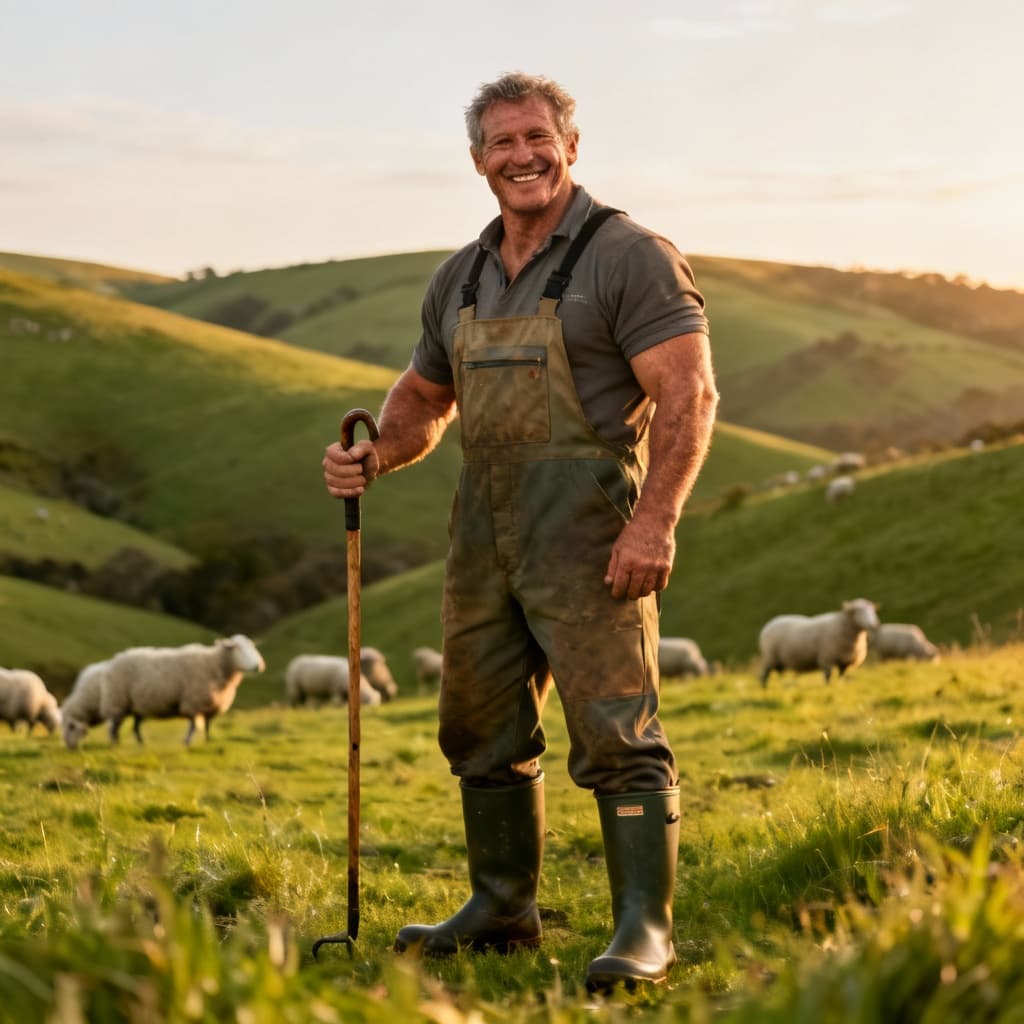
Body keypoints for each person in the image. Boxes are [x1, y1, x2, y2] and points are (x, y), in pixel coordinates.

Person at [322, 71, 717, 989]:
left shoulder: (628, 255)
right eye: (501, 144)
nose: (522, 157)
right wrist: (374, 455)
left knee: (617, 731)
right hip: (482, 538)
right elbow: (425, 398)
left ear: (570, 147)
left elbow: (688, 393)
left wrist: (654, 523)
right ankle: (502, 908)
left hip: (591, 533)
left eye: (537, 137)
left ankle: (644, 930)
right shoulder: (459, 276)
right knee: (479, 727)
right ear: (477, 162)